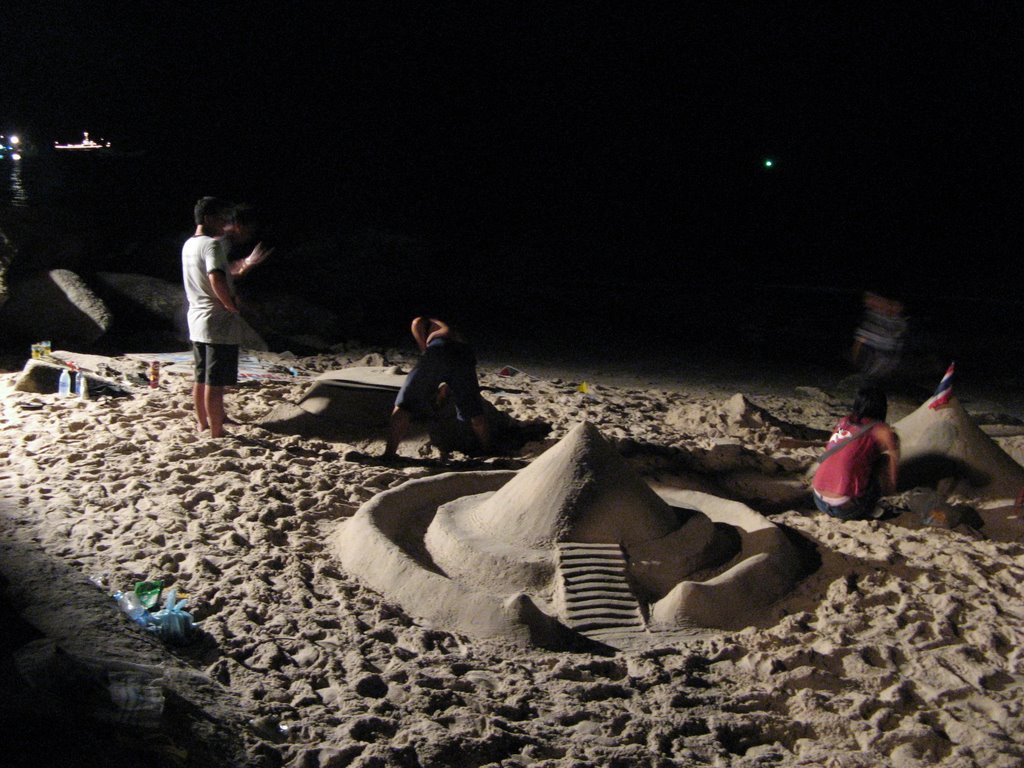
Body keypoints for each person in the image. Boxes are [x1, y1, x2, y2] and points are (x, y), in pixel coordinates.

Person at [383, 317, 491, 460]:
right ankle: (488, 449)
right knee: (474, 411)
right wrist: (443, 386)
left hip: (439, 349)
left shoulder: (422, 321)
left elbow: (425, 349)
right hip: (464, 355)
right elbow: (451, 369)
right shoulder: (454, 329)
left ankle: (388, 454)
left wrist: (426, 348)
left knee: (404, 403)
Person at [181, 197, 243, 438]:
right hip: (215, 319)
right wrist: (231, 306)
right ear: (208, 218)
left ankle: (203, 423)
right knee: (215, 381)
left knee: (200, 376)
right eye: (222, 218)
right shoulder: (212, 245)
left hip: (196, 316)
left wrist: (239, 270)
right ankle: (217, 430)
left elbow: (207, 277)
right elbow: (215, 278)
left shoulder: (189, 244)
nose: (225, 224)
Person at [812, 385, 900, 520]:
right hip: (846, 508)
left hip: (818, 500)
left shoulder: (844, 422)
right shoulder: (882, 431)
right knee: (885, 459)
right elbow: (893, 466)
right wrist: (891, 490)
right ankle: (871, 507)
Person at [221, 202, 274, 278]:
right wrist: (245, 267)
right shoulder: (222, 242)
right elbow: (216, 278)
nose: (250, 237)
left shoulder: (226, 241)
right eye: (250, 233)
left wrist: (244, 263)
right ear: (238, 225)